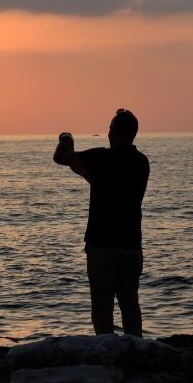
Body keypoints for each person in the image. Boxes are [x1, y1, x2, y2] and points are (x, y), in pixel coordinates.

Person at [53, 108, 149, 337]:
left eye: (109, 129)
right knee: (130, 305)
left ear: (115, 132)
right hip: (131, 244)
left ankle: (107, 351)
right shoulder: (141, 162)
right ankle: (135, 351)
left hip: (102, 244)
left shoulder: (101, 158)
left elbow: (61, 158)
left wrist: (66, 139)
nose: (107, 134)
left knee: (102, 307)